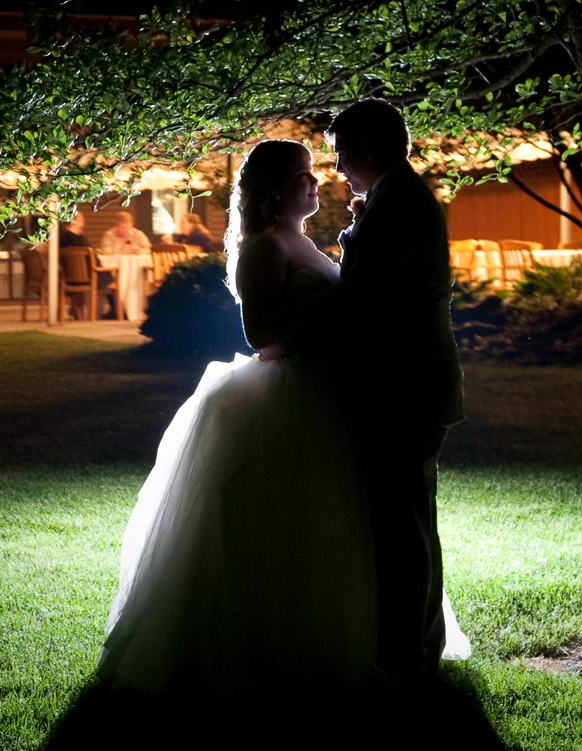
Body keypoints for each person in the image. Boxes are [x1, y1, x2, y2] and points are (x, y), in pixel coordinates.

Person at [98, 139, 472, 711]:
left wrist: (355, 248)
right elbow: (260, 333)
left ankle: (354, 634)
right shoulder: (263, 247)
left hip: (326, 392)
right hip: (286, 398)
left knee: (335, 525)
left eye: (315, 171)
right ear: (275, 189)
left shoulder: (304, 240)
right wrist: (336, 301)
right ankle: (275, 649)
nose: (316, 181)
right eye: (303, 175)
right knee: (284, 529)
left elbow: (352, 297)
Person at [327, 98, 466, 681]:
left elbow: (366, 298)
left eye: (340, 152)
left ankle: (408, 655)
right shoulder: (395, 198)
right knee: (410, 517)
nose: (335, 167)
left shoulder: (400, 202)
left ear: (371, 148)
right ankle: (415, 645)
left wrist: (352, 241)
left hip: (402, 383)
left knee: (402, 525)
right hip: (413, 380)